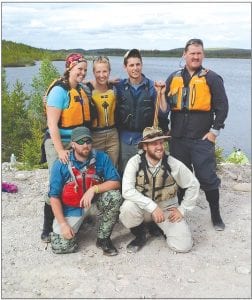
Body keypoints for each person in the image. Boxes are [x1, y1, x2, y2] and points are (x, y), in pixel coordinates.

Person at [165, 38, 229, 231]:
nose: (195, 56)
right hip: (178, 139)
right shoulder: (173, 77)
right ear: (184, 55)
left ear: (203, 55)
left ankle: (216, 215)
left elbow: (223, 107)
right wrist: (164, 129)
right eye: (192, 53)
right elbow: (164, 106)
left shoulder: (212, 78)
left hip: (201, 139)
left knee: (207, 177)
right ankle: (181, 215)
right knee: (181, 178)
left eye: (199, 53)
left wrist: (214, 132)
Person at [41, 53, 95, 242]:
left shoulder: (80, 90)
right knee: (57, 182)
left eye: (84, 70)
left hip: (76, 142)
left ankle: (75, 216)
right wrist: (61, 150)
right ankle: (47, 228)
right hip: (59, 142)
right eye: (79, 69)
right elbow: (52, 125)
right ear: (69, 68)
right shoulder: (59, 91)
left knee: (77, 179)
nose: (82, 73)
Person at [119, 127, 200, 253]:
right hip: (144, 208)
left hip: (166, 209)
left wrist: (182, 209)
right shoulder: (134, 162)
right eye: (154, 143)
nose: (160, 147)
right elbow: (127, 190)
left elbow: (193, 184)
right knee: (127, 209)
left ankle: (159, 226)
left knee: (183, 246)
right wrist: (152, 207)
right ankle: (140, 235)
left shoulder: (172, 163)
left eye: (161, 143)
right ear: (145, 147)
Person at [49, 126, 123, 255]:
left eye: (88, 141)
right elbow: (53, 197)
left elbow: (116, 182)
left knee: (115, 197)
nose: (85, 145)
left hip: (94, 203)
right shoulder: (61, 163)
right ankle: (75, 226)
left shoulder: (101, 157)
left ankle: (103, 238)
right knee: (61, 247)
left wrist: (94, 189)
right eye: (81, 142)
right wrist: (63, 224)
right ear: (72, 144)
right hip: (71, 207)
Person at [115, 49, 169, 173]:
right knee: (125, 174)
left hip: (146, 140)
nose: (135, 68)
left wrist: (161, 94)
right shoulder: (119, 86)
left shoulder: (152, 86)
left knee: (145, 175)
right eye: (131, 65)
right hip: (125, 140)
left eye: (138, 64)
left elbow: (164, 112)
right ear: (125, 67)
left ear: (142, 65)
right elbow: (99, 85)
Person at [86, 56, 119, 167]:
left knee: (112, 168)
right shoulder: (87, 89)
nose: (101, 75)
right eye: (98, 72)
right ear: (93, 72)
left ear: (109, 71)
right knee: (95, 169)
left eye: (105, 71)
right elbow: (71, 82)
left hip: (112, 136)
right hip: (95, 135)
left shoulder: (114, 88)